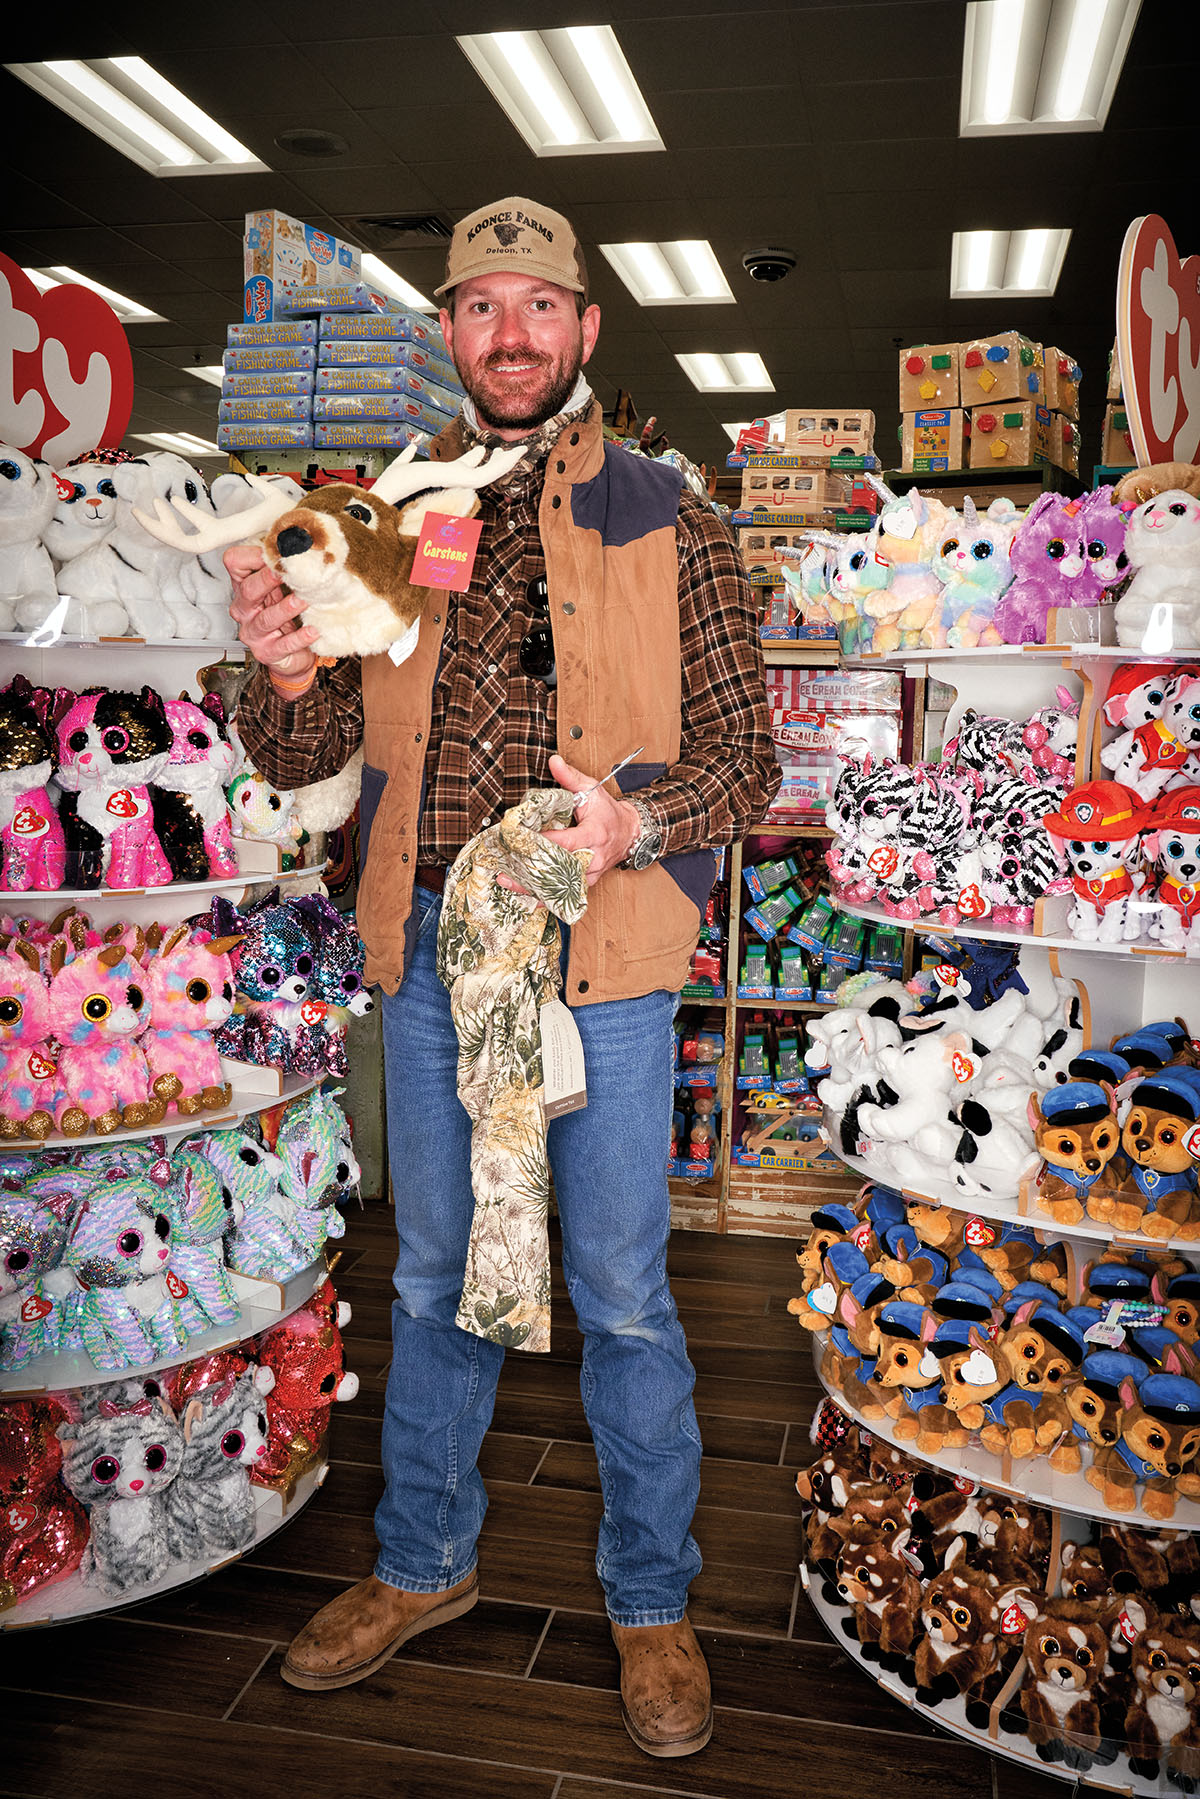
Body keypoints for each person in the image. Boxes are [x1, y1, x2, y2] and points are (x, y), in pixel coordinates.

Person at [228, 195, 780, 1757]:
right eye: (481, 308)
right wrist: (277, 671)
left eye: (542, 306)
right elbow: (308, 752)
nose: (513, 334)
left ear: (588, 330)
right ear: (450, 333)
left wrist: (636, 819)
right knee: (433, 1281)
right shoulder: (388, 517)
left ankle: (653, 1598)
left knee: (619, 1294)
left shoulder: (677, 514)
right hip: (422, 969)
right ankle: (422, 1567)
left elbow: (749, 765)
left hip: (603, 964)